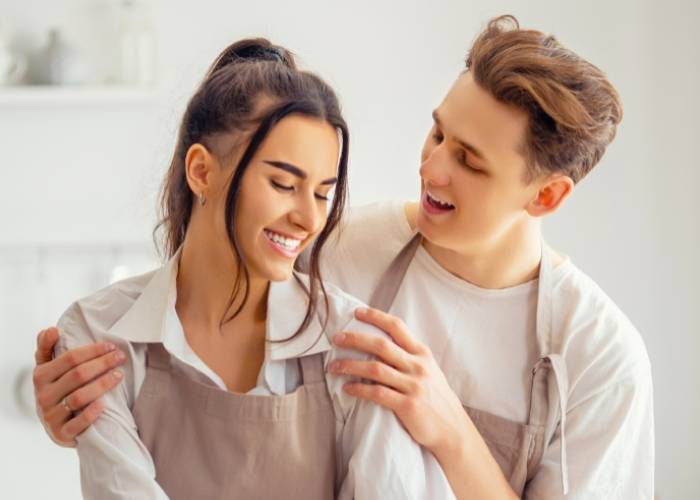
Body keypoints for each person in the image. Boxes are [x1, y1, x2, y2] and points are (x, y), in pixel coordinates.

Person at [33, 16, 654, 499]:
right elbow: (192, 316)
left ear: (545, 195)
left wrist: (451, 432)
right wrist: (76, 411)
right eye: (438, 132)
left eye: (470, 161)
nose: (432, 168)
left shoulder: (598, 358)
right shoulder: (336, 247)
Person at [33, 38, 455, 500]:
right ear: (201, 171)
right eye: (283, 183)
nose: (309, 219)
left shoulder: (357, 348)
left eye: (321, 193)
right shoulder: (100, 337)